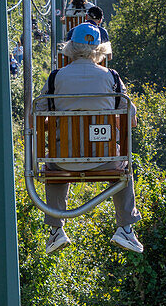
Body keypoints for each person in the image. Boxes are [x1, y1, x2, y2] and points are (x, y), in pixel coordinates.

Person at [34, 22, 142, 256]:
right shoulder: (111, 78)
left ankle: (56, 230)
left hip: (64, 160)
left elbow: (37, 113)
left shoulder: (56, 78)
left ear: (70, 47)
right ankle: (125, 227)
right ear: (99, 49)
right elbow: (131, 119)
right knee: (124, 169)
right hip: (105, 160)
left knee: (53, 164)